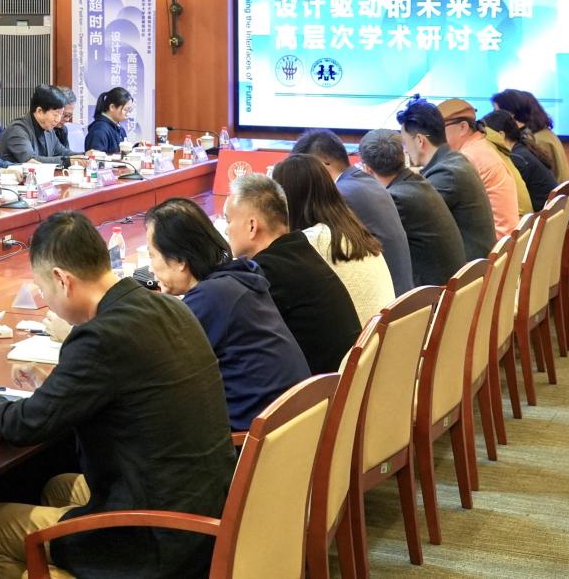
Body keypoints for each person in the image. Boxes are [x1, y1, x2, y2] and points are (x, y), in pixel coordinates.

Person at [0, 211, 235, 579]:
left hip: (158, 539)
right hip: (208, 512)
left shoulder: (100, 336)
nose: (47, 300)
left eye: (44, 289)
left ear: (62, 280)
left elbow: (25, 425)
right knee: (56, 487)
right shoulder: (169, 306)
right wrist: (56, 388)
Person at [145, 198, 310, 431]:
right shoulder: (239, 278)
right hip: (293, 431)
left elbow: (156, 370)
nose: (150, 267)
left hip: (253, 440)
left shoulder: (212, 297)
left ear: (180, 260)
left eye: (152, 255)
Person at [223, 173, 361, 374]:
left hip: (324, 389)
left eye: (228, 220)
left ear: (252, 226)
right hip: (347, 381)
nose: (226, 230)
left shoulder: (266, 273)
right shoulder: (300, 251)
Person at [272, 154, 395, 325]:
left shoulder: (309, 243)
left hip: (357, 339)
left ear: (286, 200)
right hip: (380, 337)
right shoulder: (354, 231)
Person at [291, 128, 413, 294]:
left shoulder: (341, 195)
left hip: (383, 299)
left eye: (305, 171)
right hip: (401, 296)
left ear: (323, 163)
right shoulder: (368, 182)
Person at [357, 129, 467, 289]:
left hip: (434, 295)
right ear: (403, 156)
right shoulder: (418, 183)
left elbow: (369, 246)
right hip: (452, 288)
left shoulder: (396, 198)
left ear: (367, 169)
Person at [396, 98, 496, 260]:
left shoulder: (446, 174)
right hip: (475, 264)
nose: (405, 150)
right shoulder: (454, 160)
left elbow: (406, 217)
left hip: (465, 270)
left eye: (405, 143)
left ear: (420, 140)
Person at [437, 98, 526, 234]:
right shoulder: (480, 146)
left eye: (440, 129)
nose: (436, 137)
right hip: (506, 239)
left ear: (463, 127)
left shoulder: (469, 156)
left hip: (494, 243)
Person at [483, 110, 558, 212]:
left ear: (500, 135)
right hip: (548, 213)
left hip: (539, 216)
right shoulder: (522, 150)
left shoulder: (517, 159)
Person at [491, 88, 569, 179]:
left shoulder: (536, 141)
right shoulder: (545, 134)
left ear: (512, 113)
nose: (494, 116)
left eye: (496, 112)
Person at [0, 84, 74, 165]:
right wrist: (68, 161)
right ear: (39, 111)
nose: (58, 120)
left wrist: (81, 157)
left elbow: (63, 152)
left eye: (61, 114)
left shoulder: (48, 128)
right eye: (55, 114)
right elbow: (31, 160)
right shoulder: (17, 129)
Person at [83, 86, 133, 154]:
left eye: (129, 110)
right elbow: (97, 158)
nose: (128, 113)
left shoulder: (119, 128)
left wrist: (137, 147)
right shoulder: (99, 130)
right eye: (126, 109)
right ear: (112, 107)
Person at [52, 85, 83, 152]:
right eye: (65, 115)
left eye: (70, 115)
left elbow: (66, 153)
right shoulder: (44, 128)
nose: (67, 119)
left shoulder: (63, 130)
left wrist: (84, 155)